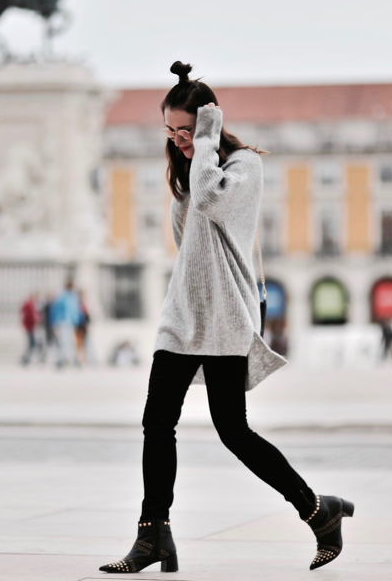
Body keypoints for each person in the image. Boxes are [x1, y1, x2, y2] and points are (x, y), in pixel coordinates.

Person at [99, 62, 354, 574]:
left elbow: (213, 201)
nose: (179, 142)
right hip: (181, 316)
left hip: (224, 320)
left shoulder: (241, 168)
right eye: (171, 133)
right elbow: (186, 244)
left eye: (187, 131)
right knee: (157, 423)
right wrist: (194, 157)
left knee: (232, 430)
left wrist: (208, 144)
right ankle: (153, 536)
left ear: (210, 124)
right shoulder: (189, 173)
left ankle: (317, 511)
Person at [20, 293, 43, 365]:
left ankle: (26, 358)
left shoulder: (31, 304)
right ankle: (26, 358)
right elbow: (29, 316)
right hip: (30, 327)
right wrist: (36, 319)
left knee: (32, 343)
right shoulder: (29, 304)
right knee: (32, 343)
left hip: (31, 327)